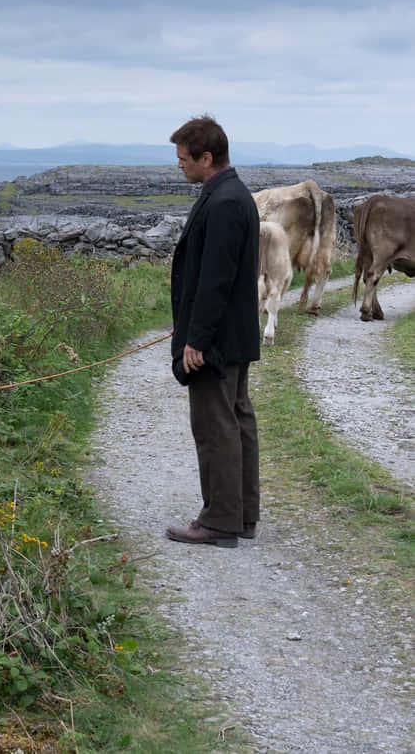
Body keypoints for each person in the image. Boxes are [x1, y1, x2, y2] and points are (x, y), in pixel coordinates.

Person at [165, 115, 261, 548]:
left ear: (207, 157)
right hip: (234, 335)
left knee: (215, 426)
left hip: (216, 341)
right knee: (237, 421)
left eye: (185, 159)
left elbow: (216, 279)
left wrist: (196, 339)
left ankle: (221, 521)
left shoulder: (224, 202)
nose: (180, 166)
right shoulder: (234, 194)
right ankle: (242, 514)